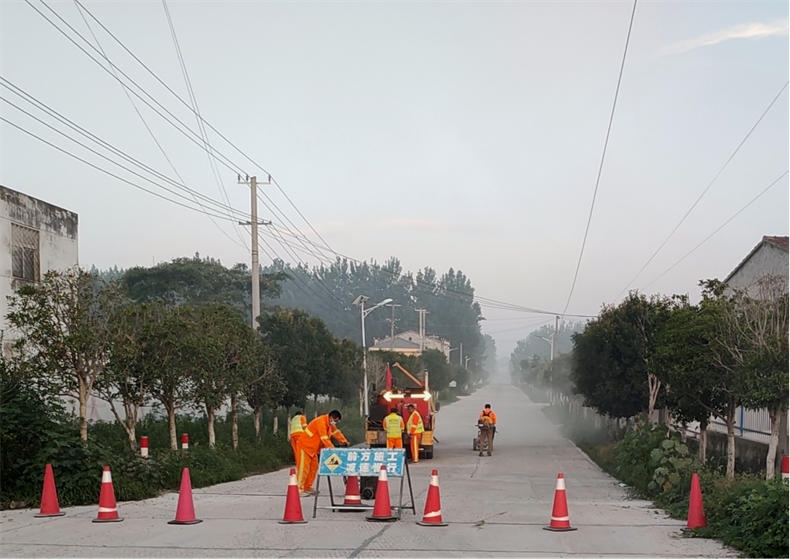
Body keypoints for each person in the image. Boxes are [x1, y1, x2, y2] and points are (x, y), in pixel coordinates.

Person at [296, 410, 348, 495]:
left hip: (313, 449)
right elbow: (324, 438)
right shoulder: (321, 421)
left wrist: (343, 441)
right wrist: (332, 449)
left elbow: (336, 432)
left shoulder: (329, 424)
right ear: (331, 418)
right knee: (303, 469)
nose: (335, 423)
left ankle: (307, 487)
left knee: (313, 468)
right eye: (335, 421)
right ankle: (298, 489)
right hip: (304, 446)